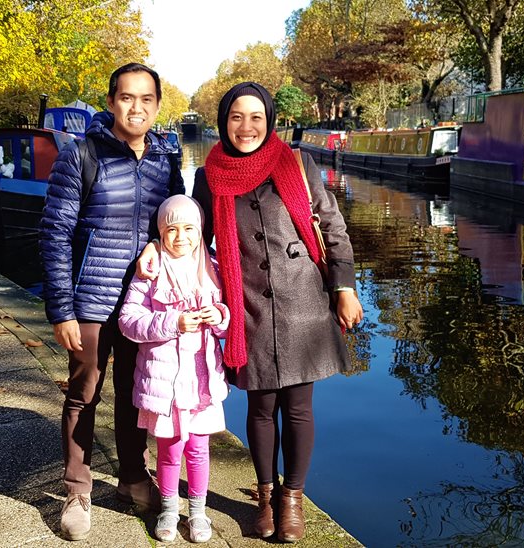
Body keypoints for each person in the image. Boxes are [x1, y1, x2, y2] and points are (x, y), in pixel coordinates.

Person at [138, 81, 363, 542]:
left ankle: (292, 500)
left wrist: (343, 287)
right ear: (224, 122)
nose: (247, 126)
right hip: (248, 305)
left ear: (270, 120)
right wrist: (153, 250)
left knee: (298, 408)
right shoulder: (209, 174)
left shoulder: (298, 162)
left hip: (304, 303)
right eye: (237, 117)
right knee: (260, 408)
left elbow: (334, 229)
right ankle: (264, 496)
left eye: (256, 116)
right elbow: (188, 236)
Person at [39, 62, 185, 541]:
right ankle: (78, 489)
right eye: (127, 97)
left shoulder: (166, 161)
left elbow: (178, 229)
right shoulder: (81, 154)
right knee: (84, 394)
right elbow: (55, 232)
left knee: (134, 394)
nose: (136, 107)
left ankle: (131, 477)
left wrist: (156, 247)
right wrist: (62, 308)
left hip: (144, 305)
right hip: (91, 301)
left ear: (158, 106)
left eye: (146, 99)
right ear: (111, 101)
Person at [119, 194, 230, 543]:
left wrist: (220, 317)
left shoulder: (212, 267)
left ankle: (198, 512)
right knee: (169, 450)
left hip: (201, 382)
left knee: (198, 447)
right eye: (171, 229)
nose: (180, 237)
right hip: (164, 383)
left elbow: (231, 321)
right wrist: (173, 322)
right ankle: (168, 508)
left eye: (189, 229)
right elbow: (128, 321)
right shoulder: (149, 271)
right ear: (160, 233)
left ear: (200, 231)